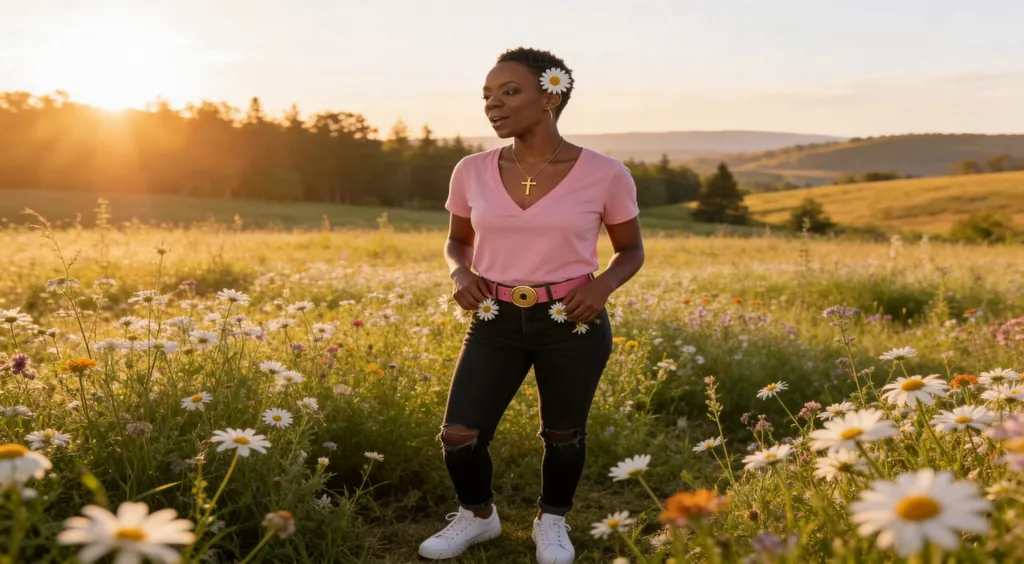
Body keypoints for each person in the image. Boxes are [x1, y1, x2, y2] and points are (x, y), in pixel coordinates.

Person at [418, 47, 645, 563]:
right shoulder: (470, 170)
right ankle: (478, 515)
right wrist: (460, 272)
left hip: (572, 318)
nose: (492, 104)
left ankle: (552, 520)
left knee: (563, 433)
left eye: (509, 91)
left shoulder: (607, 173)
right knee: (459, 433)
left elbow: (631, 251)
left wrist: (602, 287)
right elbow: (457, 241)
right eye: (486, 95)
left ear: (549, 97)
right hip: (493, 318)